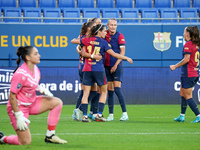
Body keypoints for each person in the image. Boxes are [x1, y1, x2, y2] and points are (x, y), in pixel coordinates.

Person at [0, 46, 67, 145]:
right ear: (28, 57)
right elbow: (12, 95)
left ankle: (50, 136)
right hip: (19, 107)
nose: (39, 55)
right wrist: (18, 115)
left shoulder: (35, 69)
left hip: (32, 103)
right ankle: (2, 138)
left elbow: (30, 83)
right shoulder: (20, 74)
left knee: (57, 102)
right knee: (25, 142)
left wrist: (40, 89)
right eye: (35, 54)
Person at [80, 24, 133, 122]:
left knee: (86, 93)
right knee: (104, 92)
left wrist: (91, 55)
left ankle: (84, 116)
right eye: (104, 31)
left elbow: (81, 52)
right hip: (99, 70)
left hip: (87, 69)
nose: (105, 33)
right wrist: (126, 58)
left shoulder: (85, 40)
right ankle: (98, 115)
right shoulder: (103, 43)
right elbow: (114, 54)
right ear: (99, 32)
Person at [71, 21, 101, 121]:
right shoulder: (85, 38)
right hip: (86, 66)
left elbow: (76, 43)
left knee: (89, 91)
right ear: (89, 28)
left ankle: (85, 111)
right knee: (89, 91)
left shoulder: (87, 38)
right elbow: (74, 41)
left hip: (87, 66)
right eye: (95, 25)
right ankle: (80, 110)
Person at [170, 26, 200, 123]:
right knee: (182, 93)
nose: (183, 33)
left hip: (188, 73)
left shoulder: (188, 44)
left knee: (188, 96)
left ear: (188, 34)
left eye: (184, 31)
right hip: (195, 72)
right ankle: (182, 116)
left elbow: (186, 59)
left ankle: (198, 115)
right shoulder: (196, 44)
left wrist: (175, 66)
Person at [104, 18, 128, 121]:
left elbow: (122, 53)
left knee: (117, 89)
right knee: (109, 91)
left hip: (116, 65)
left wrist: (115, 65)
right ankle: (111, 115)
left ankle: (125, 114)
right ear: (107, 25)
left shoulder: (120, 36)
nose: (113, 27)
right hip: (106, 66)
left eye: (115, 25)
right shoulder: (104, 35)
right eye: (111, 25)